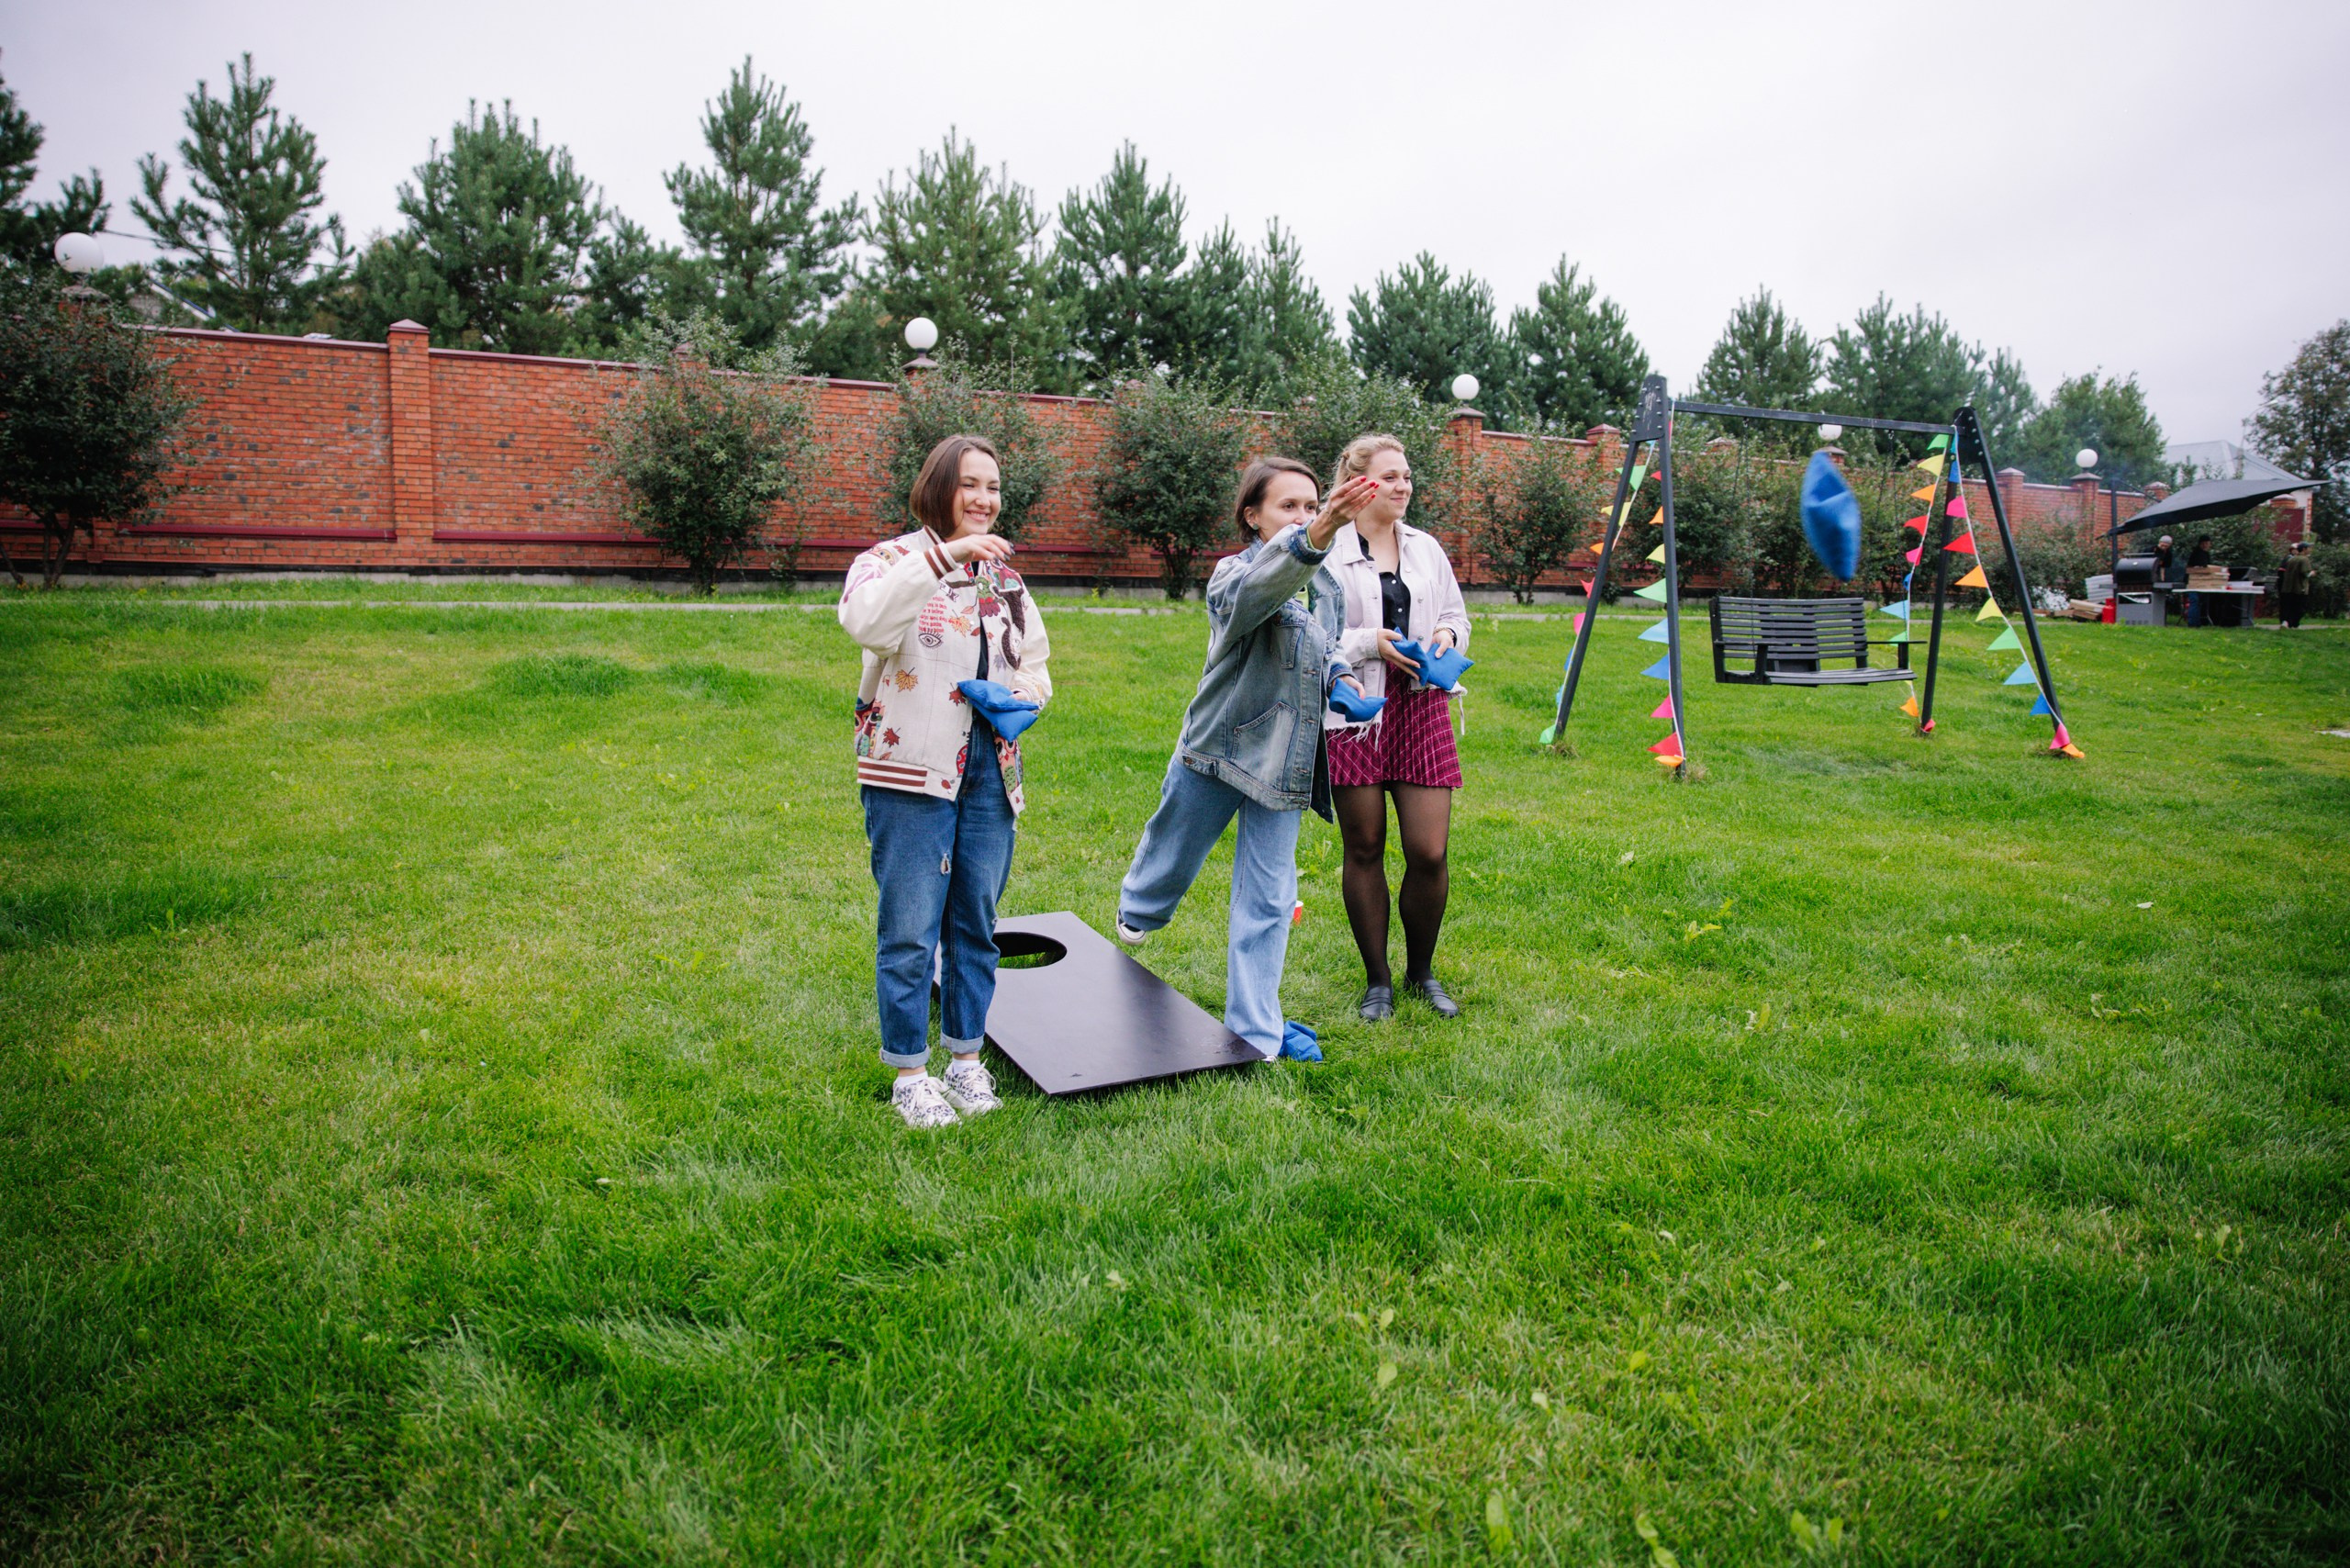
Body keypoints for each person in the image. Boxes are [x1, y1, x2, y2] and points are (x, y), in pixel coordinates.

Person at [1113, 459, 1381, 1061]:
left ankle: (1256, 1034)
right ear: (1252, 516)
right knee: (1172, 849)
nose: (1305, 516)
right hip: (1221, 747)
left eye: (1312, 506)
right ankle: (1141, 908)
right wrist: (1314, 536)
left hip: (1286, 761)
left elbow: (1321, 641)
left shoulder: (1325, 583)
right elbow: (1262, 595)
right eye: (1288, 506)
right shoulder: (1230, 576)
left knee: (1269, 898)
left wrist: (1341, 679)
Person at [839, 434, 1051, 1129]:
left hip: (991, 770)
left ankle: (964, 1061)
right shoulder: (889, 561)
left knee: (976, 924)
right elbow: (867, 625)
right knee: (909, 928)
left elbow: (1034, 664)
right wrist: (943, 557)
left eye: (992, 486)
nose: (984, 499)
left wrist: (1021, 702)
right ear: (937, 487)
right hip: (909, 770)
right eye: (969, 485)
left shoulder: (1007, 579)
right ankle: (909, 1073)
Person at [1322, 434, 1472, 1022]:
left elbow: (1457, 616)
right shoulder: (1328, 551)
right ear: (1359, 483)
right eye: (1391, 477)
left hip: (1421, 706)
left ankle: (1421, 972)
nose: (1404, 486)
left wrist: (1446, 638)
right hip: (1356, 710)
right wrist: (1371, 643)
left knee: (1428, 851)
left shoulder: (1427, 549)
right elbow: (1312, 630)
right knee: (1364, 846)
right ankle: (1378, 981)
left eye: (1407, 476)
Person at [2278, 540, 2312, 629]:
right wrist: (2312, 573)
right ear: (2304, 549)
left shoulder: (2291, 559)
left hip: (2288, 588)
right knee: (2299, 607)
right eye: (2309, 548)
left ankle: (2287, 622)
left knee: (2289, 606)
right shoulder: (2304, 559)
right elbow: (2305, 573)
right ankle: (2295, 624)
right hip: (2299, 588)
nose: (2310, 550)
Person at [2187, 534, 2213, 626]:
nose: (2205, 545)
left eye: (2207, 543)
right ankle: (2193, 623)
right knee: (2195, 601)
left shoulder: (2206, 554)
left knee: (2199, 602)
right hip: (2193, 582)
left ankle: (2200, 622)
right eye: (2203, 543)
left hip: (2201, 582)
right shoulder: (2197, 553)